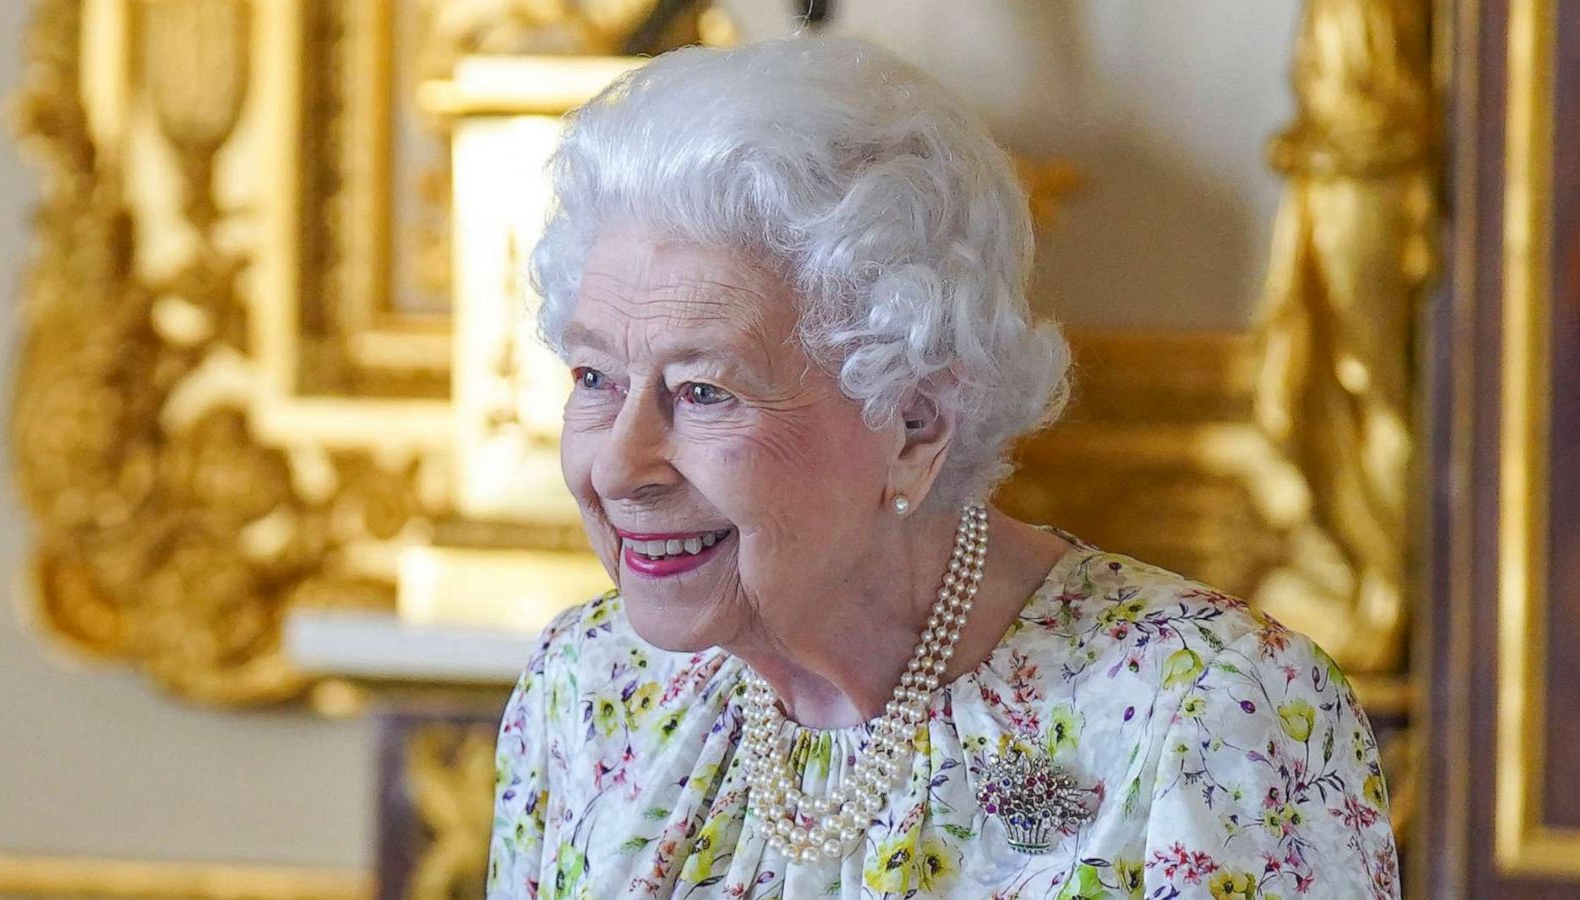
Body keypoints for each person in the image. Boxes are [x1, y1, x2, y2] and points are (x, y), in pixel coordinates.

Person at [487, 35, 1398, 899]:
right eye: (596, 377)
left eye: (702, 392)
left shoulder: (1210, 713)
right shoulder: (591, 688)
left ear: (914, 424)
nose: (618, 466)